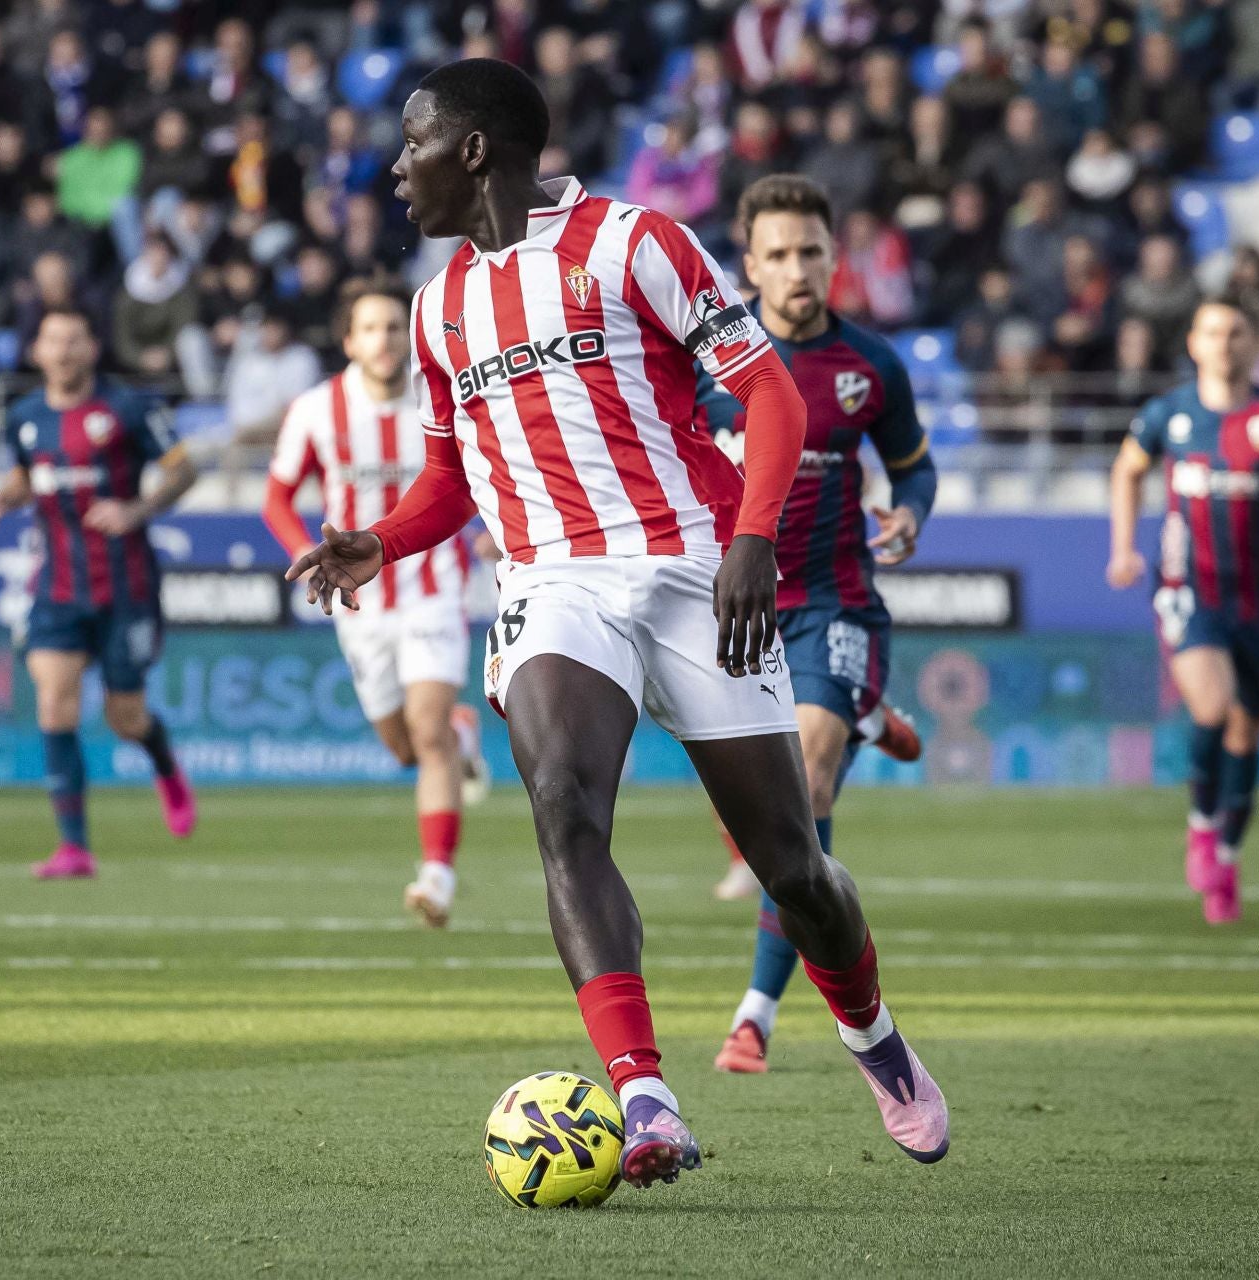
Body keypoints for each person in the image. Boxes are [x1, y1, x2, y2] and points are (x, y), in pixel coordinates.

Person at [287, 59, 950, 1186]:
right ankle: (645, 1095)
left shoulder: (636, 240)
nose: (397, 167)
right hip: (553, 583)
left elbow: (772, 394)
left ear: (478, 149)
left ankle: (873, 1035)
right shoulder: (437, 305)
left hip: (692, 565)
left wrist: (750, 537)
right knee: (560, 801)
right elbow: (452, 474)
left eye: (414, 143)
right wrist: (383, 538)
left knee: (794, 865)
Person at [694, 174, 936, 1067]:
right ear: (747, 265)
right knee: (769, 817)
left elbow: (913, 467)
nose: (798, 270)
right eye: (779, 255)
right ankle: (869, 713)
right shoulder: (704, 363)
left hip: (832, 603)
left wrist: (910, 513)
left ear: (835, 258)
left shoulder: (871, 365)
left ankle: (755, 1011)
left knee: (804, 780)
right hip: (729, 611)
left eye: (812, 253)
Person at [262, 277, 489, 927]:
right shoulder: (315, 410)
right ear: (347, 341)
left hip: (433, 590)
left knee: (426, 733)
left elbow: (483, 473)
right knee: (404, 748)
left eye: (395, 326)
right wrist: (306, 547)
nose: (384, 339)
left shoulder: (439, 395)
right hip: (361, 606)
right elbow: (276, 497)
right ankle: (460, 731)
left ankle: (437, 876)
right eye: (369, 328)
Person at [1107, 299, 1259, 924]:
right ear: (1193, 342)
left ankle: (1228, 857)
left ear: (1252, 341)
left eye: (1237, 331)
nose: (1225, 342)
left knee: (1246, 733)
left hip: (1258, 600)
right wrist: (1123, 547)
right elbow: (1127, 471)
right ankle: (1202, 824)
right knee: (1210, 708)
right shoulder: (1170, 414)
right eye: (1213, 331)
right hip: (1188, 591)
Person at [0, 309, 201, 878]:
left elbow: (183, 469)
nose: (65, 350)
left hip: (126, 585)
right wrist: (3, 498)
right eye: (54, 340)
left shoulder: (127, 409)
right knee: (54, 701)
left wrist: (138, 508)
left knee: (125, 716)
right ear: (38, 352)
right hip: (58, 587)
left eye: (76, 339)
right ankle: (74, 847)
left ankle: (164, 762)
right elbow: (29, 475)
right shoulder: (24, 418)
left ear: (93, 348)